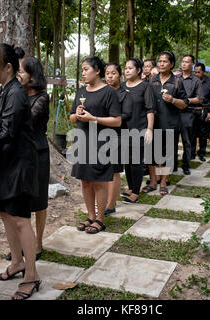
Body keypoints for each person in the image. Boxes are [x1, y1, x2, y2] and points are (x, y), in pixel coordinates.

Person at [0, 44, 41, 301]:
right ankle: (17, 262)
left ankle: (31, 274)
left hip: (20, 165)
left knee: (21, 218)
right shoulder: (4, 91)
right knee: (5, 213)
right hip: (6, 163)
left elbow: (6, 132)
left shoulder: (15, 93)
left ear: (8, 67)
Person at [70, 56, 122, 233]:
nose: (83, 73)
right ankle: (90, 216)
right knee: (85, 181)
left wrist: (94, 119)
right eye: (82, 70)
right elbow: (71, 119)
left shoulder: (109, 92)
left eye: (86, 69)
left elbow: (117, 121)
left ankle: (100, 218)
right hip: (82, 140)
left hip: (101, 142)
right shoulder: (81, 92)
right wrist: (76, 115)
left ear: (97, 71)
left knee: (99, 181)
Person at [17, 56, 50, 261]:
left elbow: (25, 120)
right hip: (19, 153)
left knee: (39, 200)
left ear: (32, 74)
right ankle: (23, 243)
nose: (18, 74)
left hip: (38, 152)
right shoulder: (17, 94)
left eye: (21, 70)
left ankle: (38, 242)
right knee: (22, 199)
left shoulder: (42, 98)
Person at [147, 51, 188, 195]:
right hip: (153, 123)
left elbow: (184, 104)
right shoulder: (152, 80)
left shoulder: (177, 81)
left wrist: (172, 100)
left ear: (171, 64)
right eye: (160, 61)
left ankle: (163, 182)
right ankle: (153, 182)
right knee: (151, 153)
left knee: (166, 154)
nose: (161, 64)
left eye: (165, 61)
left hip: (170, 123)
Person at [121, 58, 155, 203]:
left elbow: (150, 109)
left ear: (139, 70)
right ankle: (130, 187)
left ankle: (135, 192)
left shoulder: (145, 86)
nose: (127, 70)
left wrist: (149, 129)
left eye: (130, 68)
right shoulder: (121, 86)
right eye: (126, 68)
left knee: (136, 161)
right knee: (127, 162)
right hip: (123, 129)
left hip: (139, 128)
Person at [105, 62, 133, 211]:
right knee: (103, 169)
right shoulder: (102, 92)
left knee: (114, 171)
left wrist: (107, 118)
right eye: (107, 73)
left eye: (113, 73)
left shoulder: (125, 94)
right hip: (101, 135)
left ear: (120, 75)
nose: (110, 76)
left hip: (118, 135)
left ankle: (111, 204)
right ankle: (104, 201)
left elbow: (126, 115)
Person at [176, 55, 203, 174]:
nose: (184, 64)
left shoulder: (196, 80)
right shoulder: (175, 78)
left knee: (187, 141)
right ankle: (172, 165)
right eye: (183, 61)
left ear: (192, 65)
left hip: (187, 114)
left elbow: (200, 98)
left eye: (187, 62)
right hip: (174, 113)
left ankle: (186, 166)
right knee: (171, 141)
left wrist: (186, 101)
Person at [193, 63, 210, 159]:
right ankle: (191, 153)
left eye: (199, 72)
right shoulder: (192, 81)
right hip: (193, 110)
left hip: (204, 110)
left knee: (204, 134)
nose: (197, 74)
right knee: (192, 133)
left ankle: (202, 153)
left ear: (203, 72)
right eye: (195, 72)